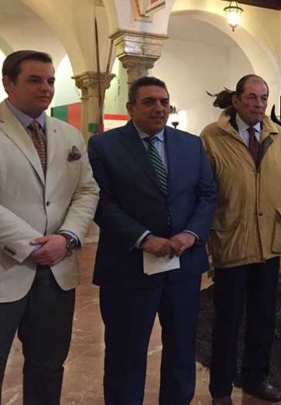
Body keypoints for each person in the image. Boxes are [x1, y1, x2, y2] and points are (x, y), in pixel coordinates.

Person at [88, 76, 217, 405]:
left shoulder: (190, 144)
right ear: (131, 108)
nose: (159, 108)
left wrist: (190, 234)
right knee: (125, 355)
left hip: (182, 268)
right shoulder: (104, 146)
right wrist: (144, 238)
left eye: (164, 102)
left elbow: (207, 195)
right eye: (149, 102)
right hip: (128, 269)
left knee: (181, 350)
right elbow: (101, 202)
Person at [0, 50, 99, 405]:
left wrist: (67, 238)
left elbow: (87, 189)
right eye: (35, 80)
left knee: (48, 365)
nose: (46, 88)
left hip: (56, 271)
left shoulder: (68, 133)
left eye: (51, 80)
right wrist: (32, 244)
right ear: (8, 82)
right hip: (5, 268)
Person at [201, 74, 281, 405]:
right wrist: (214, 228)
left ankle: (257, 378)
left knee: (263, 318)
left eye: (264, 98)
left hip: (270, 243)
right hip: (233, 243)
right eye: (253, 97)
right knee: (227, 322)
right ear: (237, 101)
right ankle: (221, 390)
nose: (259, 104)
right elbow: (205, 190)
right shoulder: (212, 138)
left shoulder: (278, 136)